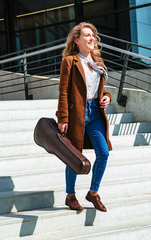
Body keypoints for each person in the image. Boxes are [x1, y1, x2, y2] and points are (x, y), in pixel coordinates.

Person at [56, 22, 112, 212]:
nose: (92, 38)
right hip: (76, 114)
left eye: (93, 35)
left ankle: (93, 193)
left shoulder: (98, 63)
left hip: (96, 112)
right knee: (73, 156)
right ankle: (70, 196)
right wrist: (62, 117)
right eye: (87, 35)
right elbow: (63, 91)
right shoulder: (70, 61)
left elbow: (100, 90)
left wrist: (107, 97)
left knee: (103, 153)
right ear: (77, 40)